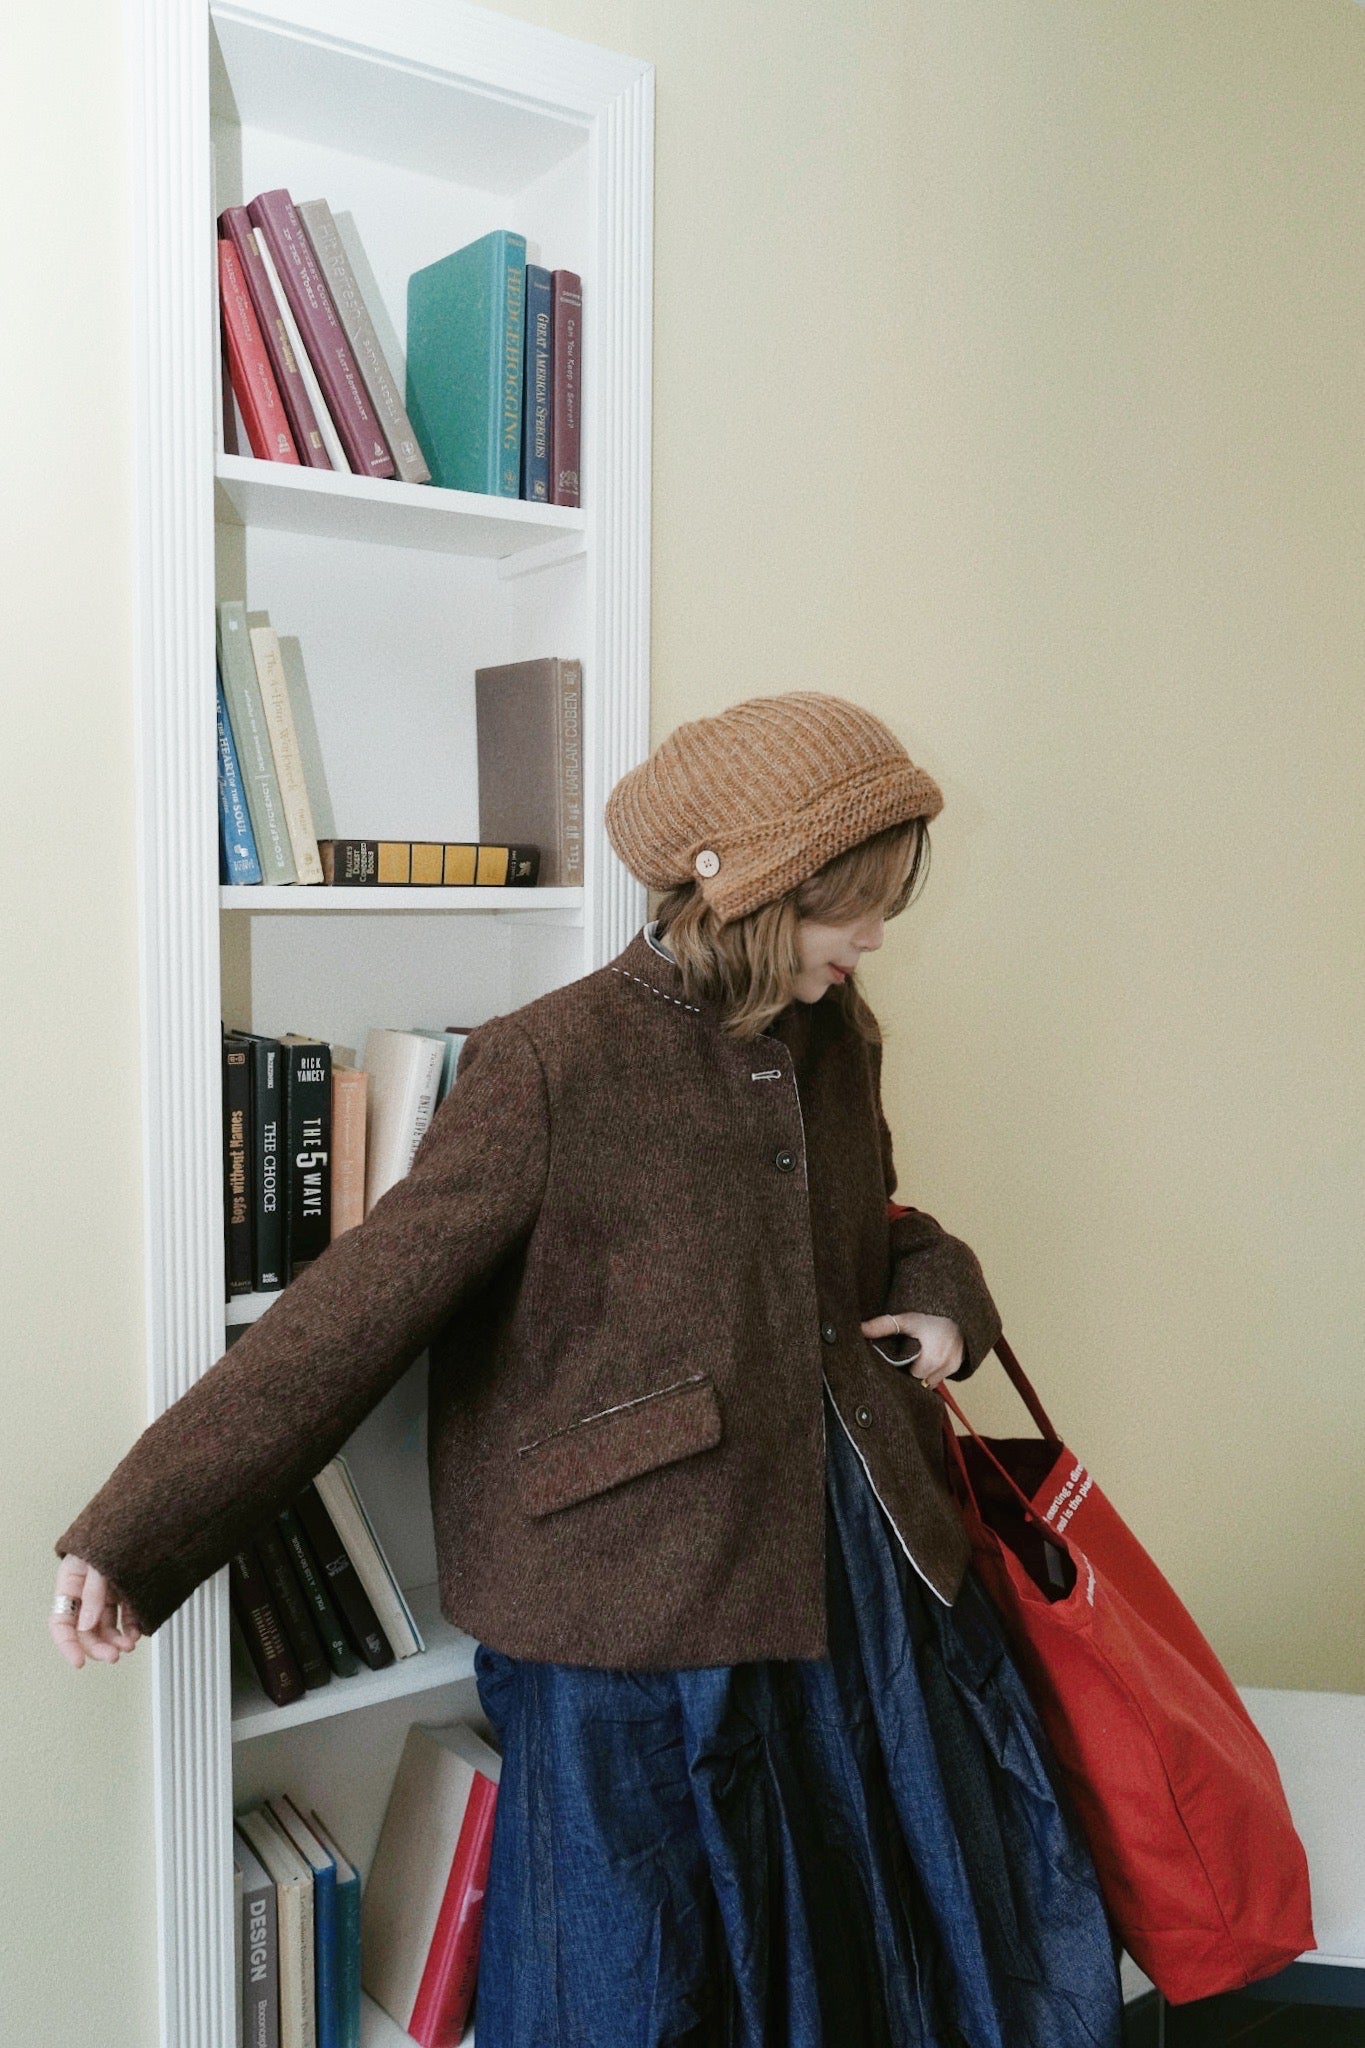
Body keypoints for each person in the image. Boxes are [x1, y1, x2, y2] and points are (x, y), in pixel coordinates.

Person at [51, 690, 1124, 2046]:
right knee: (638, 1988)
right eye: (849, 907)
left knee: (874, 1960)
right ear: (745, 890)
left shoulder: (834, 1034)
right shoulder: (549, 1065)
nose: (872, 939)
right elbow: (353, 1318)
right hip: (628, 1614)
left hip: (850, 1576)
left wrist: (941, 1297)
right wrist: (136, 1534)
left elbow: (877, 1226)